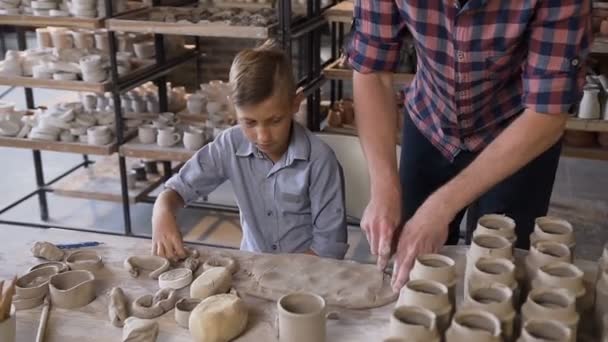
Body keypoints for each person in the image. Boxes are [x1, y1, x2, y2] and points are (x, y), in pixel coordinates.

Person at [348, 0, 591, 292]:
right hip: (431, 116)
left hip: (516, 130)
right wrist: (383, 186)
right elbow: (372, 71)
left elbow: (548, 112)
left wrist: (442, 206)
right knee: (409, 265)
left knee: (497, 276)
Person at [151, 42, 348, 261]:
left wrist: (280, 274)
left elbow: (329, 248)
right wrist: (162, 211)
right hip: (253, 265)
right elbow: (179, 189)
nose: (263, 136)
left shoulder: (320, 160)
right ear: (232, 108)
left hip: (306, 272)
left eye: (275, 120)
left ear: (295, 103)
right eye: (249, 122)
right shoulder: (230, 144)